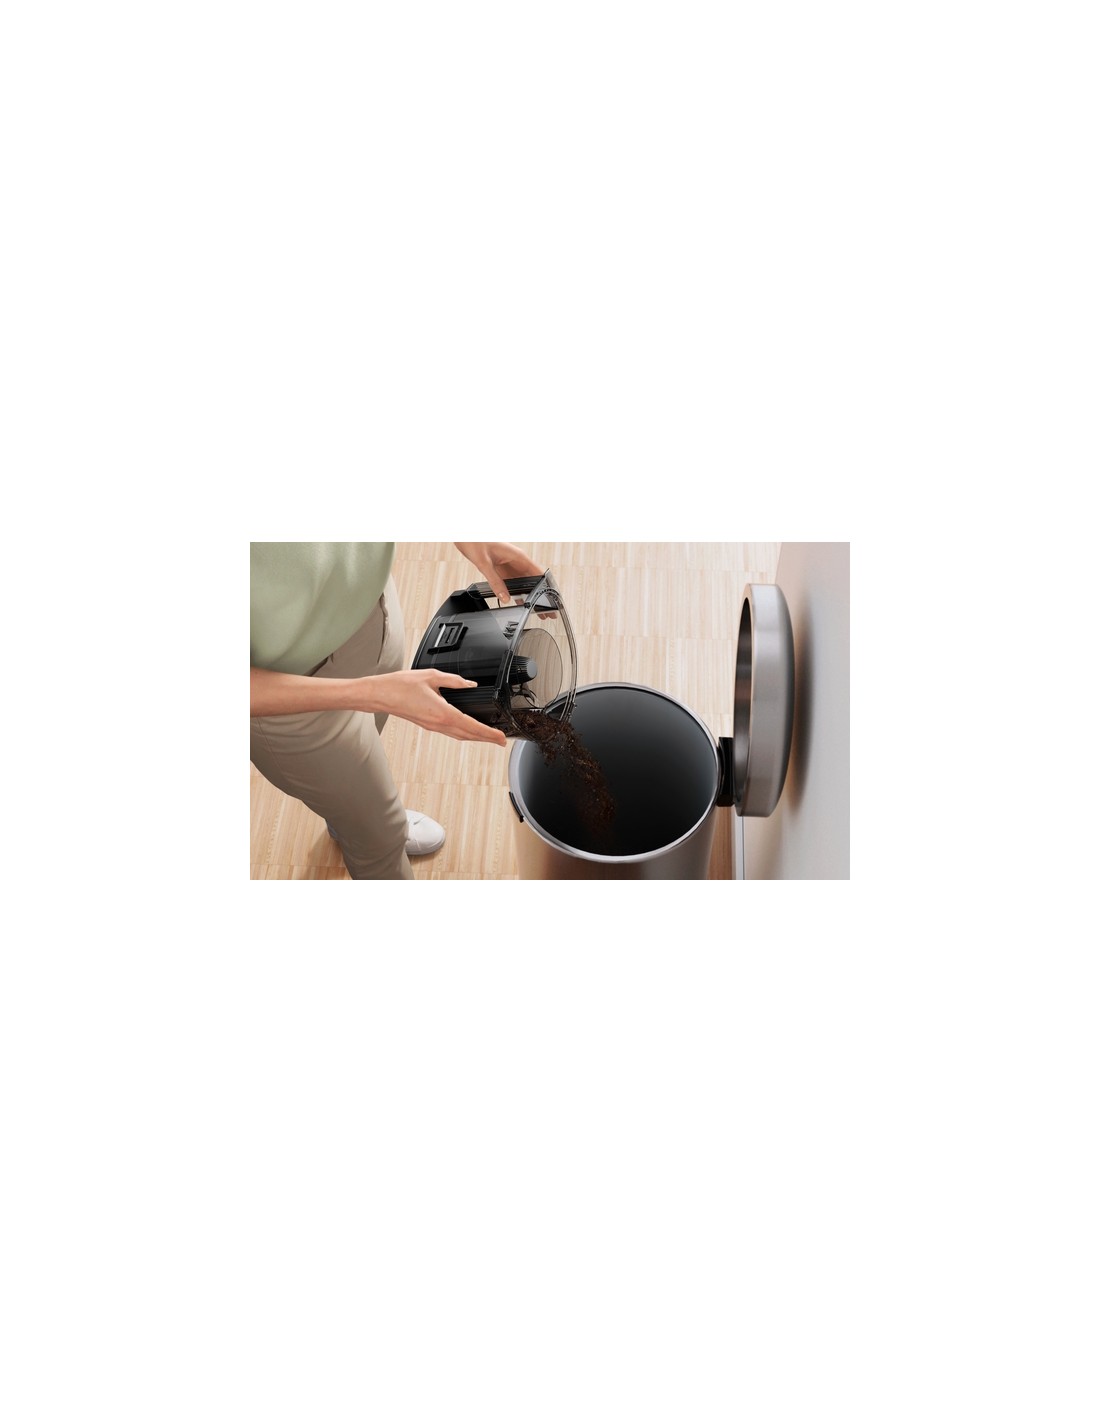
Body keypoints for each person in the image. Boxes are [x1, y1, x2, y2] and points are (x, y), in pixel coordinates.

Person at [250, 542, 545, 880]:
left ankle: (349, 817)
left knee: (364, 754)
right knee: (378, 842)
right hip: (292, 693)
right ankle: (371, 827)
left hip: (373, 606)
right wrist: (373, 693)